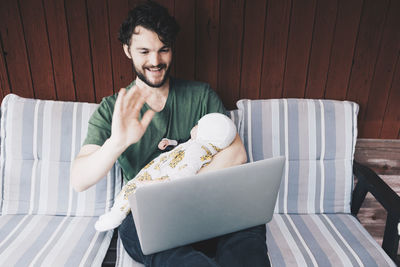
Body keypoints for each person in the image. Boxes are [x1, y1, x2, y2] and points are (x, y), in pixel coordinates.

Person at [70, 1, 270, 266]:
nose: (155, 61)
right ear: (127, 51)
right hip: (149, 216)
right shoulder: (111, 110)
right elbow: (79, 180)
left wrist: (178, 189)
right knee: (158, 247)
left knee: (248, 232)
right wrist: (116, 143)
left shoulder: (201, 96)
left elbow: (237, 154)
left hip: (208, 203)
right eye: (144, 51)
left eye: (163, 50)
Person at [94, 113, 237, 232]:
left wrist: (160, 183)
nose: (194, 127)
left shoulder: (198, 150)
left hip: (162, 178)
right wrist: (171, 143)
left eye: (197, 125)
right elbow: (183, 144)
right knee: (134, 187)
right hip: (160, 169)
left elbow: (186, 173)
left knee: (135, 187)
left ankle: (116, 214)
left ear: (205, 132)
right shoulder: (199, 145)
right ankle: (116, 212)